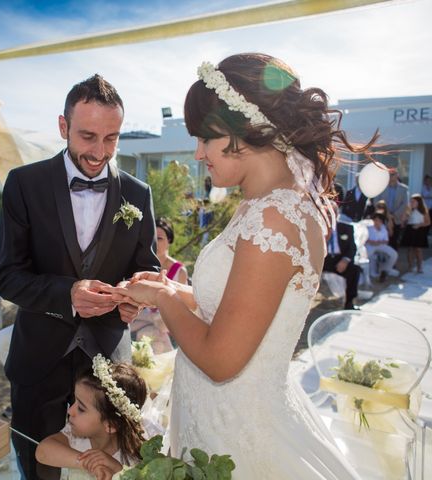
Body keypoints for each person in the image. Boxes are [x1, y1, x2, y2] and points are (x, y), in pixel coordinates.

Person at [111, 53, 373, 478]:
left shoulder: (274, 217)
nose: (198, 154)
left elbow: (221, 359)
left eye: (204, 138)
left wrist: (163, 297)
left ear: (242, 131)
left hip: (237, 436)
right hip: (218, 415)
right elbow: (244, 309)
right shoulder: (266, 203)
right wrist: (175, 291)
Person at [0, 74, 159, 480]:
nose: (100, 152)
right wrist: (67, 293)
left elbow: (149, 268)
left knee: (106, 471)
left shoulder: (138, 194)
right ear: (63, 127)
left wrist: (136, 296)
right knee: (36, 465)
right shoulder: (24, 184)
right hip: (38, 364)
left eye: (112, 138)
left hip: (107, 372)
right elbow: (8, 277)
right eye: (88, 136)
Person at [36, 356, 147, 480]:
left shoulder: (134, 458)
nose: (70, 410)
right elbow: (42, 452)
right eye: (75, 401)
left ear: (111, 425)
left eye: (81, 408)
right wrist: (86, 462)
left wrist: (118, 470)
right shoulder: (77, 436)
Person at [131, 217, 187, 353]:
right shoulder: (141, 265)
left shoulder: (179, 270)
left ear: (169, 240)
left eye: (160, 238)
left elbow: (181, 305)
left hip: (165, 324)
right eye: (152, 237)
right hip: (136, 321)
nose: (155, 241)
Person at [374, 170, 409, 249]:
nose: (390, 176)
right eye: (389, 174)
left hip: (396, 219)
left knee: (394, 241)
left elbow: (405, 204)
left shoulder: (404, 189)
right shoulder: (381, 187)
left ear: (397, 175)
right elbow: (376, 201)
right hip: (383, 218)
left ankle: (393, 259)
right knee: (382, 240)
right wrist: (386, 213)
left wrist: (394, 215)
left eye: (392, 174)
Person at [400, 194, 430, 273]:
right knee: (410, 249)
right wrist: (406, 212)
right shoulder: (409, 210)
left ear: (418, 202)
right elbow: (403, 220)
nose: (411, 203)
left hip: (419, 230)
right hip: (410, 229)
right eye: (411, 201)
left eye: (413, 201)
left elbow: (428, 222)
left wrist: (419, 225)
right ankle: (410, 266)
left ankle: (419, 267)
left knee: (418, 249)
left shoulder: (423, 211)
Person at [365, 212, 399, 280]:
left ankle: (385, 269)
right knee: (368, 256)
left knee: (394, 254)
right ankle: (369, 273)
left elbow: (386, 240)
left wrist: (379, 242)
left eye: (379, 221)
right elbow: (364, 239)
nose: (377, 222)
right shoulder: (368, 228)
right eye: (376, 220)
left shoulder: (383, 228)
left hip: (381, 245)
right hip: (370, 246)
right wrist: (371, 242)